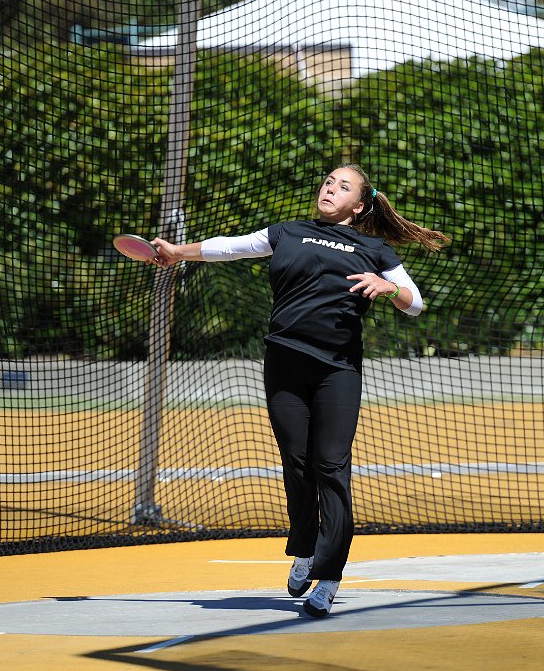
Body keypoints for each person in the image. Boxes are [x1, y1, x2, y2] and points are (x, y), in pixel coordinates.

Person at [150, 164, 449, 617]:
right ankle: (306, 549)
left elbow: (417, 302)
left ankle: (327, 577)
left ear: (360, 205)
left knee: (331, 467)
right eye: (328, 181)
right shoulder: (287, 232)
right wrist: (176, 252)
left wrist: (388, 287)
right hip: (285, 362)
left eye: (343, 186)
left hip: (337, 370)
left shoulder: (373, 248)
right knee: (297, 463)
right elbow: (228, 247)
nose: (331, 188)